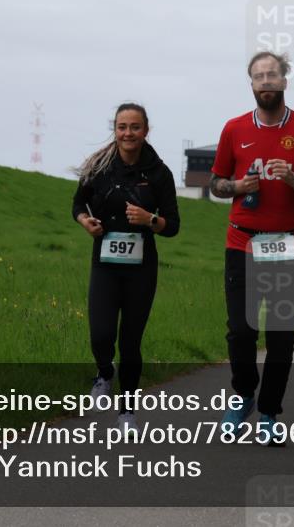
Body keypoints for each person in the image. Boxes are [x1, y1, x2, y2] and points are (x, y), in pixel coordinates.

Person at [209, 51, 294, 446]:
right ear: (251, 84)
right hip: (242, 242)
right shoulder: (234, 128)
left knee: (281, 337)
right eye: (259, 76)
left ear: (284, 81)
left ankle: (269, 413)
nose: (266, 82)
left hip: (288, 244)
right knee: (240, 332)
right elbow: (216, 184)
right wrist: (236, 187)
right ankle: (243, 394)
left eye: (272, 75)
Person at [72, 103, 180, 438]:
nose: (128, 133)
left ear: (146, 131)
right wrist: (85, 222)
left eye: (135, 127)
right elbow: (77, 204)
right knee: (101, 335)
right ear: (115, 130)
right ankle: (105, 372)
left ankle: (127, 412)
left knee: (130, 342)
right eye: (122, 127)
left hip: (141, 269)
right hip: (104, 264)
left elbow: (173, 226)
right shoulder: (99, 168)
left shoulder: (159, 172)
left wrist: (150, 219)